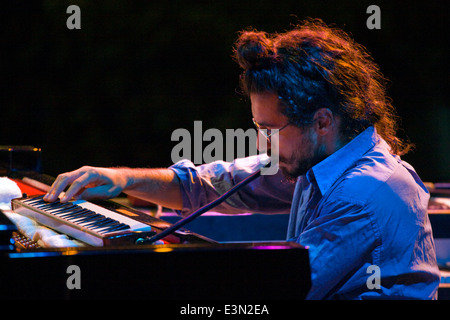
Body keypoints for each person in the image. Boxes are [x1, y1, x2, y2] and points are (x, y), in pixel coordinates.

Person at [43, 18, 440, 299]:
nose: (261, 144)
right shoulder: (317, 160)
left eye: (270, 130)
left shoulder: (365, 192)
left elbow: (278, 291)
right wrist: (122, 179)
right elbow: (206, 186)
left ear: (322, 121)